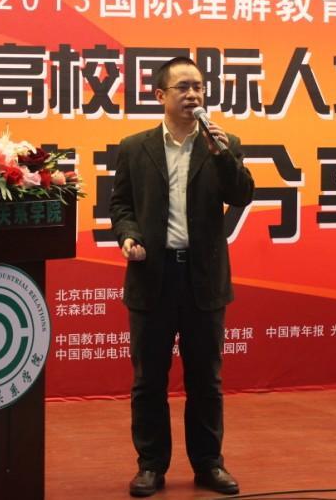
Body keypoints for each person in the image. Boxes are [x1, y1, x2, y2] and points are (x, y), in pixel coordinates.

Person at [109, 56, 255, 497]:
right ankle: (151, 466)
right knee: (148, 380)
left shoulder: (222, 143)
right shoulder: (135, 148)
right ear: (161, 96)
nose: (193, 94)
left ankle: (209, 464)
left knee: (205, 379)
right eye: (183, 87)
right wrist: (129, 237)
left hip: (202, 277)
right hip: (152, 276)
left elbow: (241, 194)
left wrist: (223, 156)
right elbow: (121, 206)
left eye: (199, 87)